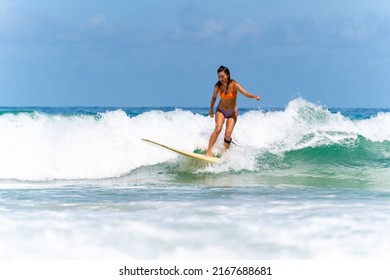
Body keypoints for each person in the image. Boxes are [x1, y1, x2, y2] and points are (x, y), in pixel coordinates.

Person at [206, 66, 260, 157]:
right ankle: (208, 152)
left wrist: (254, 97)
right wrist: (211, 109)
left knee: (227, 134)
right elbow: (214, 97)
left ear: (227, 75)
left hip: (232, 112)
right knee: (218, 128)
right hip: (221, 110)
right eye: (219, 77)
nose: (220, 79)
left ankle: (225, 154)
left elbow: (245, 93)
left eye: (222, 76)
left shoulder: (234, 85)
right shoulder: (217, 86)